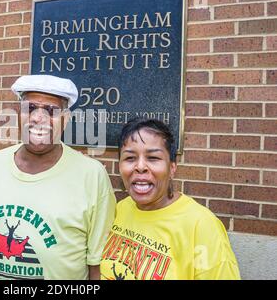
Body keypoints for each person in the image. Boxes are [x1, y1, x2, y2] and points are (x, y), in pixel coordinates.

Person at [0, 74, 116, 280]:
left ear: (65, 120)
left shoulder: (92, 175)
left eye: (50, 111)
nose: (37, 118)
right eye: (30, 108)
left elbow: (97, 264)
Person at [100, 118, 240, 280]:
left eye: (153, 158)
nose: (140, 166)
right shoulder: (122, 208)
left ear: (172, 167)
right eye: (130, 158)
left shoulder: (201, 225)